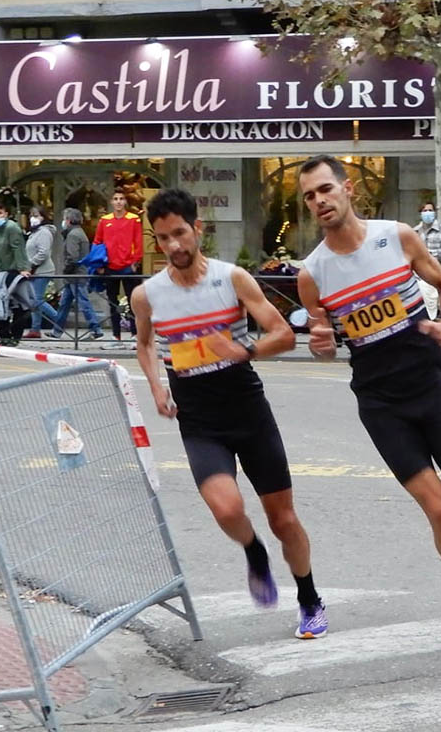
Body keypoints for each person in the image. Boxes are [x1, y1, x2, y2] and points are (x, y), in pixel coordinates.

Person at [296, 155, 441, 654]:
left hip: (430, 388)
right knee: (438, 510)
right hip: (380, 404)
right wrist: (321, 344)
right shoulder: (313, 273)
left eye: (325, 189)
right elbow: (324, 340)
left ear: (347, 189)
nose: (319, 201)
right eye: (309, 196)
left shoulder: (396, 236)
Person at [133, 187, 327, 640]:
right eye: (163, 238)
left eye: (180, 233)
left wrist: (244, 350)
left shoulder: (231, 278)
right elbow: (143, 343)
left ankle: (309, 598)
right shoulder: (148, 295)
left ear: (198, 229)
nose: (174, 245)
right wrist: (157, 387)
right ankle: (253, 550)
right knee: (226, 508)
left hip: (246, 408)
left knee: (284, 519)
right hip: (199, 417)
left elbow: (283, 334)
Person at [94, 188, 143, 342]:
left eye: (121, 199)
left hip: (128, 266)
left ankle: (135, 334)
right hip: (110, 266)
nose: (119, 202)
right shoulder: (104, 220)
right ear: (111, 202)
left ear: (125, 201)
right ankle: (116, 336)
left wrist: (136, 261)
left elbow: (138, 241)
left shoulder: (134, 219)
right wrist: (98, 264)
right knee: (112, 302)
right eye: (116, 199)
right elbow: (97, 241)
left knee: (132, 301)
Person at [49, 208, 104, 340]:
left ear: (68, 220)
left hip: (75, 275)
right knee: (64, 303)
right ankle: (57, 330)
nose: (64, 221)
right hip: (76, 274)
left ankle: (96, 329)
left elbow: (72, 257)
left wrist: (66, 270)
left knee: (83, 302)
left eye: (65, 219)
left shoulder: (73, 235)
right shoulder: (79, 232)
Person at [0, 201, 32, 347]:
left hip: (16, 269)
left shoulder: (12, 227)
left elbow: (17, 248)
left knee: (19, 304)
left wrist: (22, 268)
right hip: (2, 270)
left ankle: (16, 336)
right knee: (0, 302)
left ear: (6, 214)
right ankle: (4, 335)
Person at [23, 206, 60, 339]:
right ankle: (35, 329)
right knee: (35, 300)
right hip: (35, 271)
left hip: (42, 270)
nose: (33, 218)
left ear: (43, 217)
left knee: (37, 300)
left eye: (36, 215)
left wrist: (30, 264)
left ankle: (59, 319)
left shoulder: (44, 232)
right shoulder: (34, 232)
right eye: (31, 215)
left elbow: (43, 253)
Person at [414, 201, 441, 319]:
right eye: (425, 211)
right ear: (420, 213)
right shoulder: (415, 232)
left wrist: (427, 255)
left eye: (430, 210)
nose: (428, 213)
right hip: (421, 279)